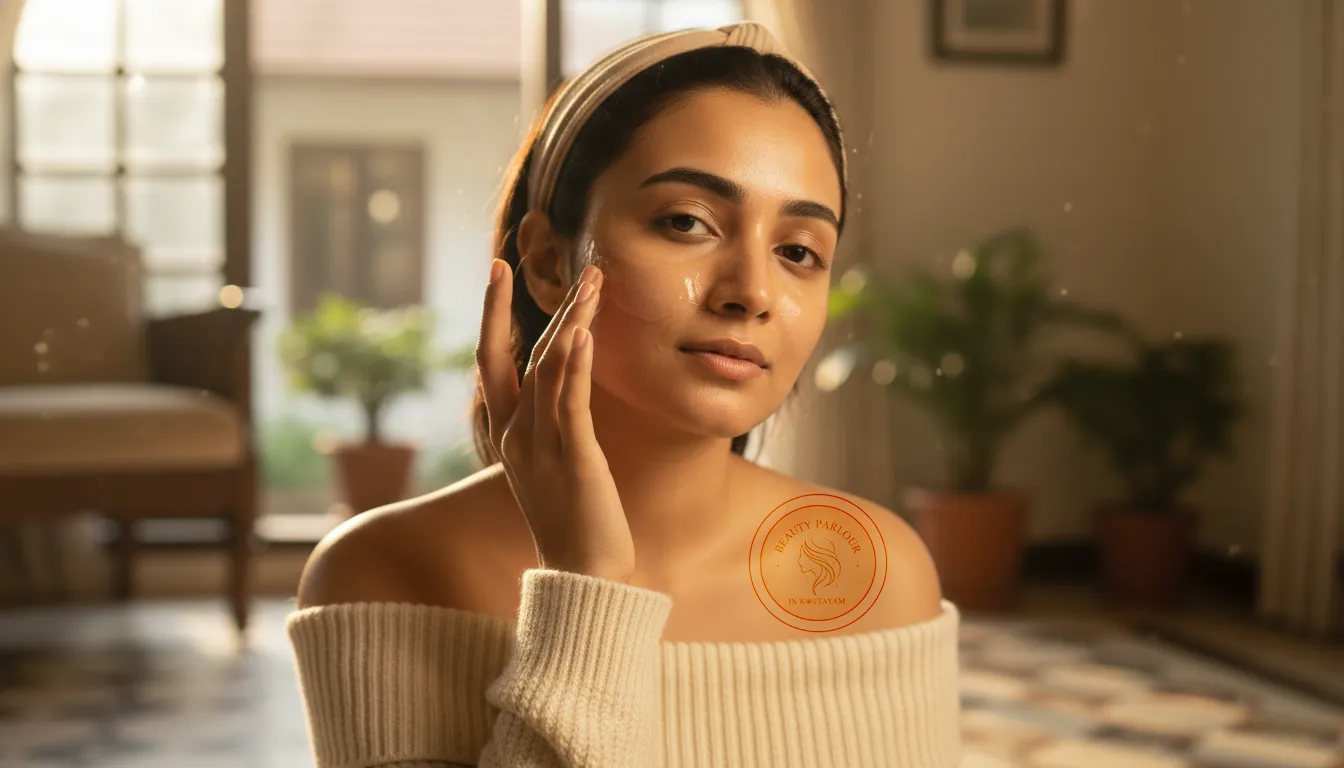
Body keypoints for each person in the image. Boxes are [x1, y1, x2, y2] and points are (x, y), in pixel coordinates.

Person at [287, 21, 961, 768]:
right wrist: (584, 586)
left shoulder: (882, 576)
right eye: (687, 223)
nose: (753, 292)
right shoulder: (384, 570)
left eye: (799, 252)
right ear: (547, 260)